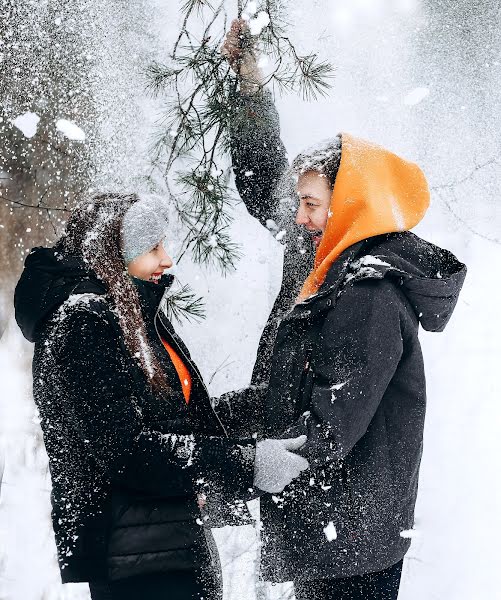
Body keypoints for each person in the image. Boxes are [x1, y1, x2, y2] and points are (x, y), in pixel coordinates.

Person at [221, 21, 467, 600]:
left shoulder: (365, 294)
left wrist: (243, 463)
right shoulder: (325, 261)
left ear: (348, 206)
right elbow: (263, 180)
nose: (299, 217)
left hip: (348, 535)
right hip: (333, 528)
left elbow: (330, 426)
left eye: (311, 204)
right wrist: (251, 91)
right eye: (300, 203)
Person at [13, 193, 308, 600]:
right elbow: (127, 451)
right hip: (136, 559)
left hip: (171, 538)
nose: (167, 260)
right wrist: (247, 464)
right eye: (153, 248)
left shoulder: (131, 313)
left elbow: (173, 425)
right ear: (112, 254)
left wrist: (258, 404)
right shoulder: (83, 326)